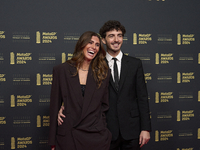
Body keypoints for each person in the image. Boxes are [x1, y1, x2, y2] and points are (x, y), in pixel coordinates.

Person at [58, 20, 151, 150]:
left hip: (132, 130)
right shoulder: (95, 64)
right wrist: (64, 107)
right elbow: (80, 92)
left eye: (119, 35)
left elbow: (142, 98)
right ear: (103, 40)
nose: (116, 39)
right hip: (104, 130)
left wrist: (145, 128)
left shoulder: (135, 64)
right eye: (111, 36)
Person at [48, 31, 112, 150]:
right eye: (90, 42)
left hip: (95, 137)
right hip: (69, 136)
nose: (94, 47)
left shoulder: (103, 73)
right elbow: (54, 107)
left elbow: (104, 106)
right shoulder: (61, 70)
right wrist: (52, 143)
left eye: (97, 45)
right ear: (82, 44)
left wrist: (102, 128)